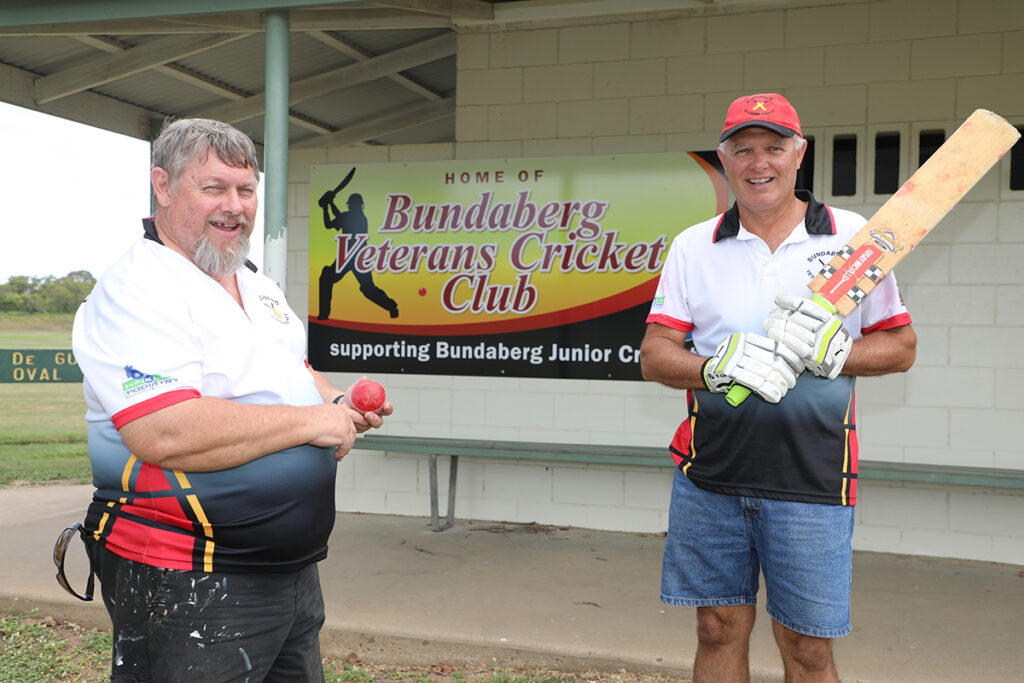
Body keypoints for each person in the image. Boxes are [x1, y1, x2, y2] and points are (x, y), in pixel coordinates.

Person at [70, 117, 393, 682]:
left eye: (246, 190)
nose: (235, 205)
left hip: (288, 575)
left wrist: (339, 403)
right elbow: (161, 429)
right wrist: (308, 422)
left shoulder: (250, 278)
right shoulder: (137, 290)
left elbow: (289, 367)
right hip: (185, 579)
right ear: (164, 187)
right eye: (213, 187)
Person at [640, 93, 916, 682]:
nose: (757, 162)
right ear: (724, 158)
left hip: (811, 477)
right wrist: (715, 368)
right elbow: (655, 356)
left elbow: (901, 347)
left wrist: (837, 354)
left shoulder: (854, 237)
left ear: (799, 155)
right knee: (716, 626)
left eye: (773, 147)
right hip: (709, 475)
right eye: (742, 149)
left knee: (808, 647)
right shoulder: (694, 244)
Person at [317, 179, 399, 320]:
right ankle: (324, 315)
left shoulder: (357, 218)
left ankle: (391, 307)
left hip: (354, 257)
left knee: (367, 289)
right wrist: (328, 205)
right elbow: (333, 222)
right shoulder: (353, 216)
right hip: (351, 257)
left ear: (355, 206)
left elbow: (333, 221)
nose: (351, 207)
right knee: (328, 278)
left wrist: (328, 204)